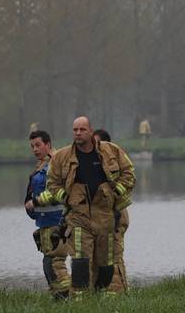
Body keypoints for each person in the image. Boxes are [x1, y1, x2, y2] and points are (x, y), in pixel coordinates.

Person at [33, 117, 135, 294]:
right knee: (80, 260)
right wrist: (65, 198)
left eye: (82, 129)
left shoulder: (111, 151)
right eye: (75, 130)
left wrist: (115, 193)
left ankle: (104, 295)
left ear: (91, 131)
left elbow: (129, 173)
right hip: (78, 216)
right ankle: (79, 299)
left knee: (106, 262)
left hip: (106, 215)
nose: (78, 133)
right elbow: (52, 183)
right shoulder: (62, 157)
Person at [24, 130, 70, 300]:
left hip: (58, 222)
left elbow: (58, 192)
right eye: (32, 146)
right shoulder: (41, 165)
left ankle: (66, 297)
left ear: (48, 144)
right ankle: (58, 297)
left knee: (55, 262)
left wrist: (35, 202)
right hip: (44, 223)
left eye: (38, 145)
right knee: (48, 262)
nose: (35, 149)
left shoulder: (55, 163)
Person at [93, 128, 132, 292]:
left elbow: (128, 181)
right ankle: (99, 293)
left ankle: (118, 293)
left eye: (97, 143)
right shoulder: (91, 162)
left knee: (114, 256)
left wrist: (112, 196)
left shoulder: (115, 160)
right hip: (99, 219)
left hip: (116, 215)